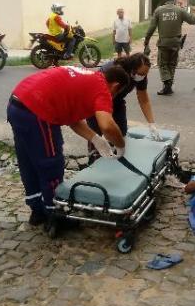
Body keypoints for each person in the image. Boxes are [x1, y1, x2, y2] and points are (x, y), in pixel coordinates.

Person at [7, 65, 129, 226]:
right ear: (115, 86)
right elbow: (107, 125)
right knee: (50, 164)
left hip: (17, 104)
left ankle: (37, 211)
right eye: (116, 93)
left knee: (28, 162)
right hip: (38, 111)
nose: (113, 96)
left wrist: (95, 139)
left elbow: (71, 118)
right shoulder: (102, 88)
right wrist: (120, 145)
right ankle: (55, 214)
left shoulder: (86, 77)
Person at [86, 53, 162, 162]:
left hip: (117, 103)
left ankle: (118, 164)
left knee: (121, 134)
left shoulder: (140, 76)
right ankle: (94, 163)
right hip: (95, 103)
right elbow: (105, 122)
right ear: (131, 69)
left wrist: (151, 123)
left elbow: (144, 99)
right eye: (141, 74)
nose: (143, 76)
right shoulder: (112, 71)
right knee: (98, 140)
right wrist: (104, 131)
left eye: (145, 74)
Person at [144, 0, 195, 95]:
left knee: (163, 64)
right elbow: (193, 21)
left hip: (163, 43)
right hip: (176, 42)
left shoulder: (158, 11)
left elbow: (152, 27)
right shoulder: (180, 10)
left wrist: (147, 39)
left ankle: (167, 84)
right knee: (172, 64)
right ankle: (168, 86)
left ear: (166, 0)